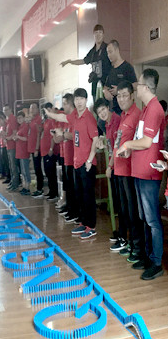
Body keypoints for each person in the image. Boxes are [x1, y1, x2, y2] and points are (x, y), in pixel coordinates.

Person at [116, 69, 164, 280]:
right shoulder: (147, 109)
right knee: (144, 217)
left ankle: (156, 262)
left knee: (152, 220)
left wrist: (127, 144)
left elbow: (146, 142)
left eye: (139, 84)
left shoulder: (154, 109)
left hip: (149, 173)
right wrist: (129, 149)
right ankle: (146, 256)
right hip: (139, 172)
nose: (136, 87)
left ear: (146, 87)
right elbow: (141, 140)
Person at [48, 89, 100, 238]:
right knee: (80, 195)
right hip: (77, 163)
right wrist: (49, 114)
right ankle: (83, 222)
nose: (79, 102)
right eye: (77, 99)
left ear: (86, 100)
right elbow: (62, 117)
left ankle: (91, 226)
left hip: (87, 163)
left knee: (88, 196)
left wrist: (89, 160)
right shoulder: (75, 116)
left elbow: (95, 140)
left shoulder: (89, 118)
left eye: (81, 99)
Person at [111, 81, 144, 263]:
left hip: (131, 171)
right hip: (120, 169)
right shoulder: (123, 116)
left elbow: (140, 142)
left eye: (125, 95)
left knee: (133, 211)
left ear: (132, 96)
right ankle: (131, 243)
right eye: (119, 96)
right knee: (124, 210)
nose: (122, 99)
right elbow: (119, 142)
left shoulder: (137, 115)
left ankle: (138, 247)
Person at [94, 97, 126, 248]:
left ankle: (124, 237)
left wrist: (110, 166)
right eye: (99, 112)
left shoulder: (117, 121)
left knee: (123, 204)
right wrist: (101, 141)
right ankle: (121, 233)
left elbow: (117, 147)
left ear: (108, 107)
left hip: (120, 167)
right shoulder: (106, 124)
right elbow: (110, 145)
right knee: (118, 203)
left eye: (103, 109)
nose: (102, 113)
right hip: (114, 167)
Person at [60, 23, 111, 102]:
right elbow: (83, 61)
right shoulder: (92, 51)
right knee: (97, 105)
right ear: (93, 35)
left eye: (100, 32)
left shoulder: (107, 48)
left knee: (105, 105)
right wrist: (70, 61)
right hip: (95, 85)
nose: (98, 35)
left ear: (103, 34)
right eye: (96, 33)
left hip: (106, 84)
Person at [39, 103, 59, 200]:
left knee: (51, 172)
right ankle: (51, 190)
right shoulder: (46, 121)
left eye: (47, 110)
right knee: (47, 172)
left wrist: (51, 149)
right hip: (44, 151)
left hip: (49, 151)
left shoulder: (52, 121)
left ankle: (54, 193)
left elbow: (52, 136)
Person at [28, 103, 45, 197]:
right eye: (31, 108)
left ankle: (40, 189)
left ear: (38, 109)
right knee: (36, 168)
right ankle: (38, 187)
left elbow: (39, 135)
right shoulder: (32, 120)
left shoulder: (39, 120)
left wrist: (36, 149)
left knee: (38, 169)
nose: (32, 110)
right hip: (32, 148)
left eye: (34, 108)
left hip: (36, 148)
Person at [14, 111, 31, 195]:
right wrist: (16, 138)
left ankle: (27, 187)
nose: (19, 119)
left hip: (24, 151)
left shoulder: (25, 126)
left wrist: (18, 137)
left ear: (24, 118)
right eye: (18, 118)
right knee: (23, 171)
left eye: (20, 118)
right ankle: (24, 186)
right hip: (19, 151)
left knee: (25, 170)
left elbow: (26, 138)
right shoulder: (20, 127)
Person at [3, 105, 20, 191]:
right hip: (9, 146)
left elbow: (15, 132)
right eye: (4, 110)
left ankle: (15, 183)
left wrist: (8, 138)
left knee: (13, 166)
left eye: (6, 110)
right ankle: (13, 181)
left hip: (13, 145)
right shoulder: (8, 120)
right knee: (11, 165)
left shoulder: (13, 119)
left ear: (10, 110)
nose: (5, 112)